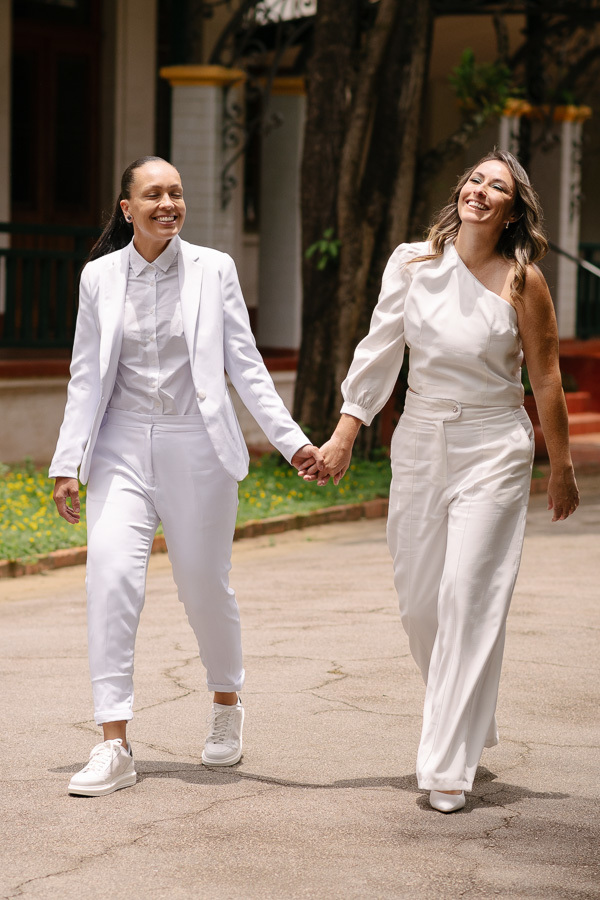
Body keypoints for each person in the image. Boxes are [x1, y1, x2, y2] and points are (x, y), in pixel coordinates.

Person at [307, 149, 579, 813]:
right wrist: (345, 432)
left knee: (467, 595)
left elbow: (545, 377)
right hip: (422, 439)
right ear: (461, 190)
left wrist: (562, 466)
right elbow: (379, 350)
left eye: (498, 187)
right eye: (475, 179)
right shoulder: (412, 263)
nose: (481, 191)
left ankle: (447, 765)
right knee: (420, 601)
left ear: (513, 210)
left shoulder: (523, 280)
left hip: (494, 445)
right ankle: (468, 719)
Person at [50, 155, 322, 797]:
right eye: (153, 195)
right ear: (127, 209)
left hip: (197, 445)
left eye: (175, 193)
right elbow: (87, 374)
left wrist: (293, 444)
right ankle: (113, 743)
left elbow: (246, 366)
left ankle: (226, 704)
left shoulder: (213, 270)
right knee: (110, 581)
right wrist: (69, 462)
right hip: (119, 442)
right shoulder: (98, 277)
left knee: (204, 587)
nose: (167, 204)